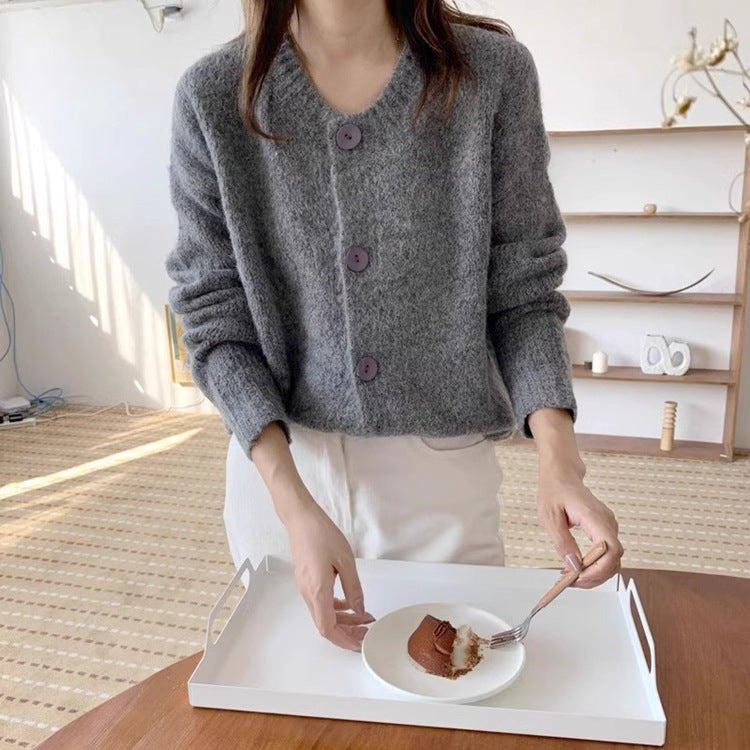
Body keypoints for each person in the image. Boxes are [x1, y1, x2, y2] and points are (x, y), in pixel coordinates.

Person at [165, 0, 624, 653]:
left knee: (455, 677)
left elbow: (522, 292)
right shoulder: (212, 96)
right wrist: (291, 502)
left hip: (439, 475)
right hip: (281, 470)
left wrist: (560, 461)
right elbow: (214, 314)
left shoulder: (491, 75)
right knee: (297, 686)